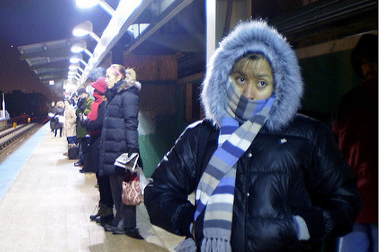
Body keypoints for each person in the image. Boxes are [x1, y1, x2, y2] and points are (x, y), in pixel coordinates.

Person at [143, 20, 361, 252]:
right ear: (224, 78)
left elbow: (344, 201)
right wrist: (192, 224)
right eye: (241, 79)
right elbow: (158, 192)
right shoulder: (200, 136)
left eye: (261, 83)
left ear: (278, 87)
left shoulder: (309, 135)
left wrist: (301, 226)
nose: (249, 93)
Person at [333, 34, 378, 252]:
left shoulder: (349, 101)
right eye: (363, 62)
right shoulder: (349, 101)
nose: (368, 66)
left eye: (372, 59)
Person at [98, 63, 142, 239]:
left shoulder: (128, 95)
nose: (106, 80)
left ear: (118, 77)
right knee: (117, 190)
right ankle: (120, 219)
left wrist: (133, 150)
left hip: (122, 150)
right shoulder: (114, 95)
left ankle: (128, 223)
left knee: (126, 189)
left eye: (108, 77)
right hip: (112, 150)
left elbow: (131, 124)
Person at [81, 75, 114, 225]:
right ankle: (103, 211)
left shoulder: (103, 105)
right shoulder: (98, 103)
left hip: (101, 145)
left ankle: (107, 214)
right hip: (97, 144)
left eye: (95, 89)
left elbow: (96, 124)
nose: (93, 91)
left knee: (104, 181)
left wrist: (85, 122)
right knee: (101, 181)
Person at [74, 88, 93, 168]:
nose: (81, 96)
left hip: (86, 128)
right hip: (81, 128)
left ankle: (84, 162)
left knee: (85, 147)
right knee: (82, 146)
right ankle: (82, 160)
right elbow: (77, 113)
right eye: (79, 95)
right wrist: (79, 106)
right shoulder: (82, 101)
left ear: (85, 93)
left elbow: (91, 113)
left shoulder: (90, 101)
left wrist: (84, 109)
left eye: (81, 94)